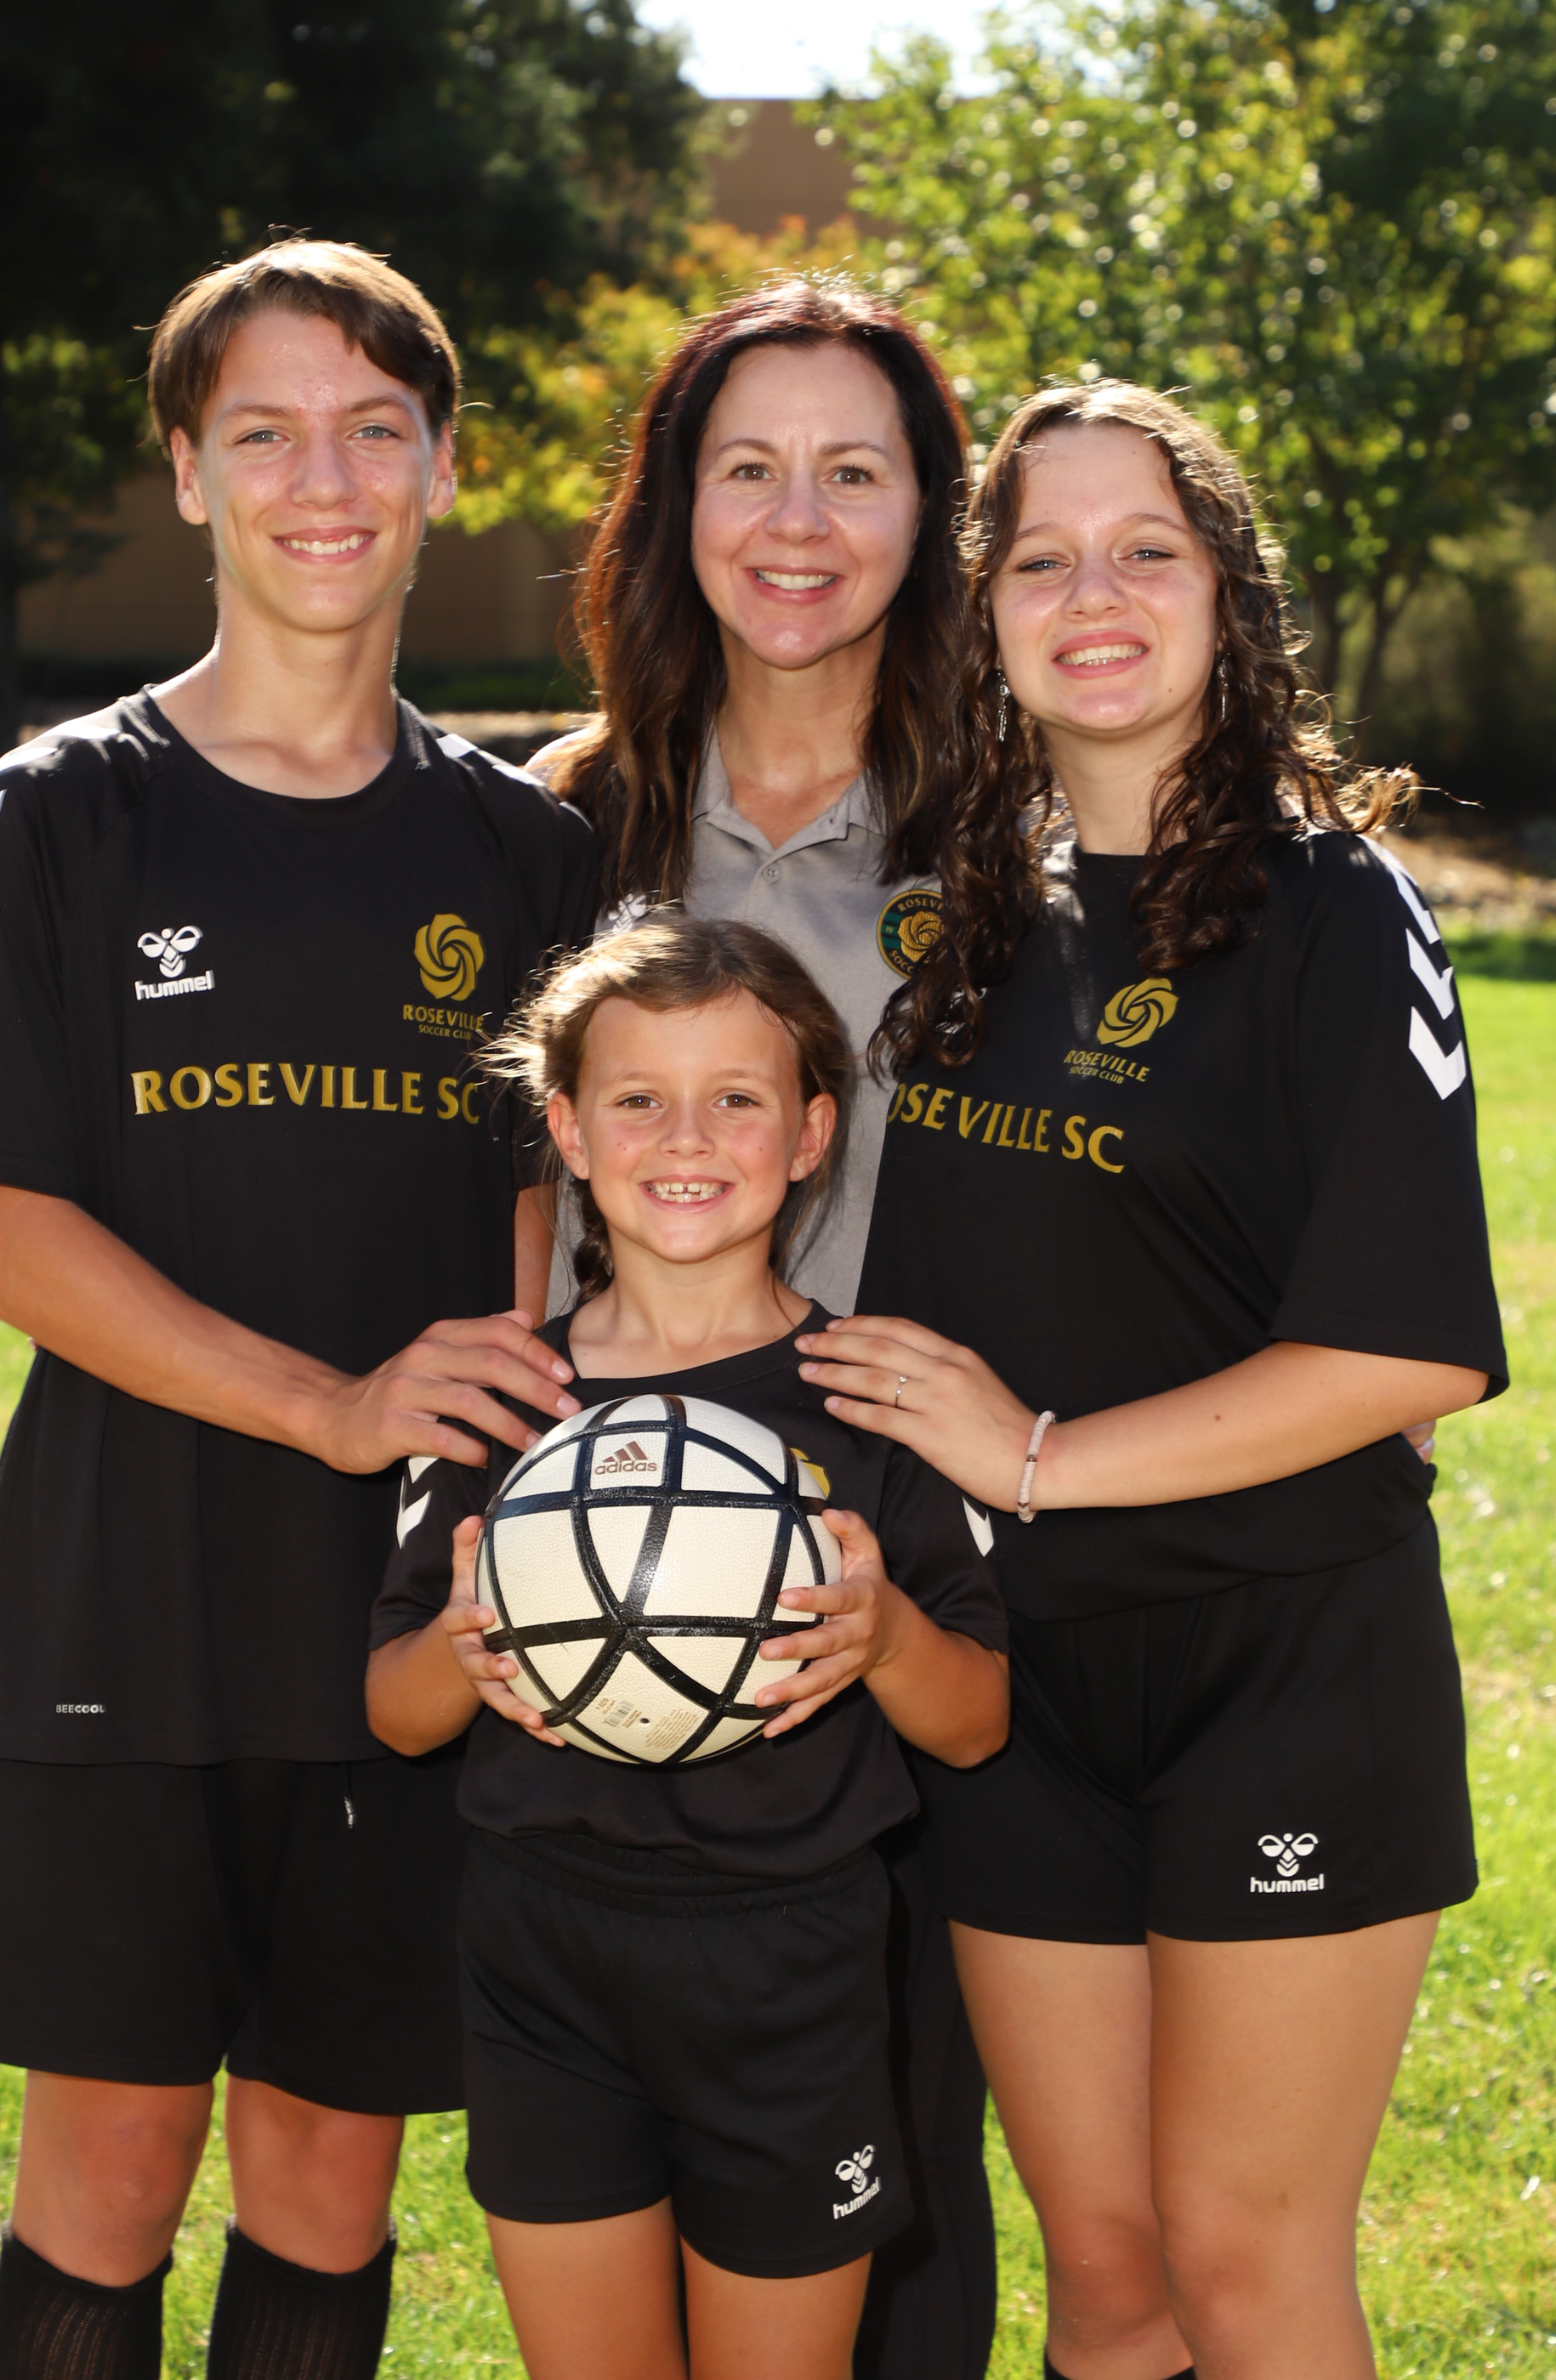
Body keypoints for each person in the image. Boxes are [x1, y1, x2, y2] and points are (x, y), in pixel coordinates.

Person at [0, 237, 597, 2380]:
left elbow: (537, 1231)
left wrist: (500, 1502)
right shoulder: (64, 807)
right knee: (107, 2166)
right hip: (127, 1606)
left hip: (400, 1634)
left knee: (325, 2175)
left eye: (375, 429)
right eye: (264, 432)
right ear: (189, 475)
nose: (325, 479)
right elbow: (2, 1232)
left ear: (446, 467)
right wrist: (329, 1404)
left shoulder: (525, 855)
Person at [799, 382, 1506, 2380]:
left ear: (1228, 594)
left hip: (1278, 1665)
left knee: (1244, 2263)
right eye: (1039, 559)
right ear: (984, 612)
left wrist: (1030, 1452)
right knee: (1108, 2276)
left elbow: (1408, 1349)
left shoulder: (1336, 911)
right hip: (1021, 1685)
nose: (1089, 596)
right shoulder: (967, 910)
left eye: (1143, 551)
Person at [529, 279, 1001, 2377]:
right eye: (747, 467)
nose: (796, 521)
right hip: (623, 1558)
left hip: (923, 1553)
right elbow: (502, 1185)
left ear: (929, 514)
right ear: (674, 506)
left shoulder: (1014, 836)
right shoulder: (562, 820)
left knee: (896, 2179)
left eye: (853, 470)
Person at [366, 914, 1010, 2380]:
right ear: (567, 1132)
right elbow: (394, 1712)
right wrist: (464, 1647)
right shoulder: (502, 1399)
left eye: (737, 1098)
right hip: (539, 1952)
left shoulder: (874, 1395)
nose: (687, 1138)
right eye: (638, 1098)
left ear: (813, 1133)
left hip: (791, 1957)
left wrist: (883, 1637)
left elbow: (975, 1722)